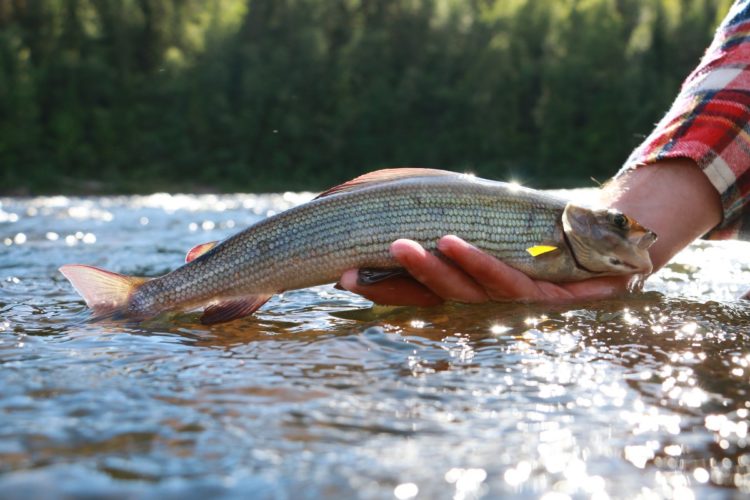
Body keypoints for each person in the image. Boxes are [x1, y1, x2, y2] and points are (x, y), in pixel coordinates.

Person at [338, 0, 750, 306]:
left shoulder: (555, 248)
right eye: (620, 224)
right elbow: (540, 253)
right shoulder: (554, 244)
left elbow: (539, 254)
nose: (640, 232)